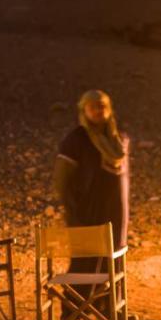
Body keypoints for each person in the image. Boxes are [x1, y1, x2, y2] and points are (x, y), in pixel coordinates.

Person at [53, 90, 130, 282]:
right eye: (93, 107)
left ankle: (109, 309)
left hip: (115, 214)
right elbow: (62, 181)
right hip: (86, 213)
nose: (98, 111)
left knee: (113, 260)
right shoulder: (77, 140)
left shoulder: (118, 140)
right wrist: (73, 212)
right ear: (84, 111)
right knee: (85, 263)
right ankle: (73, 308)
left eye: (102, 106)